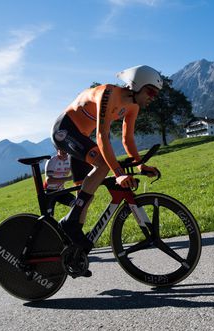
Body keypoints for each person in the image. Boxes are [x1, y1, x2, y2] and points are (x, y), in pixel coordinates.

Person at [51, 65, 161, 258]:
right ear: (137, 85)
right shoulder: (108, 93)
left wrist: (139, 164)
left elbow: (128, 139)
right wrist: (118, 173)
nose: (153, 97)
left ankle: (72, 251)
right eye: (150, 91)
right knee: (102, 166)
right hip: (65, 129)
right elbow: (102, 136)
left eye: (156, 94)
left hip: (81, 137)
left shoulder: (133, 106)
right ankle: (69, 225)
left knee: (85, 194)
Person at [43, 149, 75, 214]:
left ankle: (66, 222)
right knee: (49, 217)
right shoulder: (52, 161)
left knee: (77, 204)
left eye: (65, 149)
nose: (65, 152)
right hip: (49, 192)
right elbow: (49, 181)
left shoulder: (70, 159)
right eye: (62, 150)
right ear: (57, 150)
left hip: (60, 190)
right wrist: (68, 178)